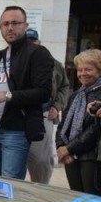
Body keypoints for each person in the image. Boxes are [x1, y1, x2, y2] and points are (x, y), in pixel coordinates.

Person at [0, 6, 53, 180]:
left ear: (25, 25)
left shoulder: (38, 53)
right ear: (0, 27)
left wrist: (7, 96)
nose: (10, 27)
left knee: (10, 185)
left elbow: (44, 93)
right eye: (5, 24)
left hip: (16, 130)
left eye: (15, 23)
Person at [25, 29, 70, 184]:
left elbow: (65, 87)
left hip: (44, 115)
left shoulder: (54, 64)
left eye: (33, 40)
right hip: (17, 117)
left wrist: (57, 106)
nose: (31, 44)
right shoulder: (14, 60)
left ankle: (40, 194)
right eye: (27, 40)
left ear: (39, 42)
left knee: (41, 161)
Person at [55, 49, 101, 194]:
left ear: (100, 70)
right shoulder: (75, 95)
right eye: (80, 70)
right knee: (75, 198)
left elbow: (94, 129)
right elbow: (63, 125)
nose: (82, 74)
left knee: (91, 201)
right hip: (71, 157)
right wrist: (61, 146)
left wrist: (69, 149)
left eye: (88, 69)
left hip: (91, 157)